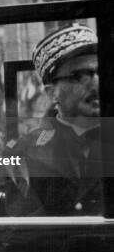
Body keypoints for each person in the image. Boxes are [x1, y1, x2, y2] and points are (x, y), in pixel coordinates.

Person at [7, 24, 101, 216]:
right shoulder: (26, 150)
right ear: (52, 93)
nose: (96, 82)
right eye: (80, 75)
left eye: (100, 72)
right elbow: (20, 231)